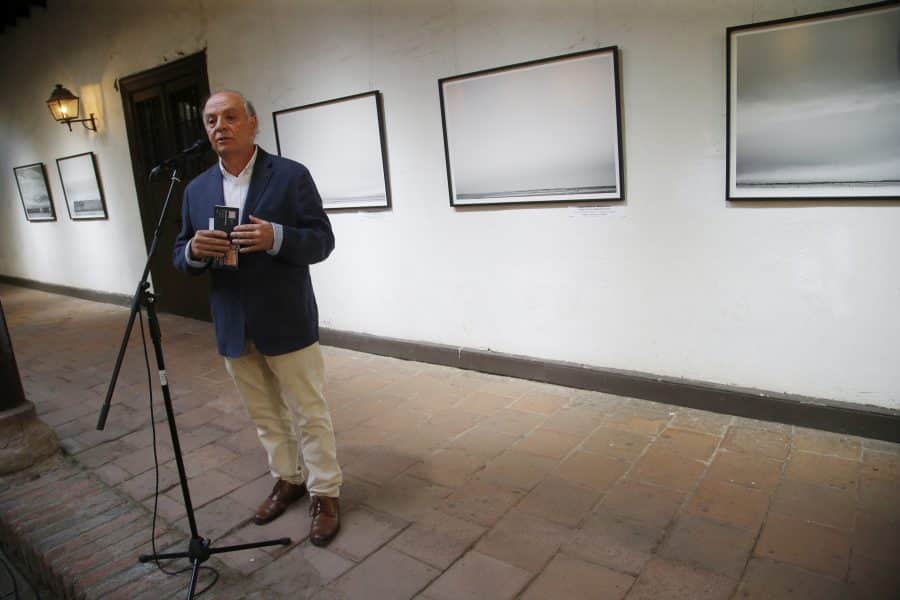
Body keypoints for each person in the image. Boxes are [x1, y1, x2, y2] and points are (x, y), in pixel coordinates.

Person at [172, 90, 341, 547]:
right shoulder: (196, 189)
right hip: (232, 320)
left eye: (230, 116)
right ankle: (288, 478)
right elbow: (179, 251)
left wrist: (276, 237)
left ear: (252, 122)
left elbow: (322, 241)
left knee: (309, 412)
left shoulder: (289, 175)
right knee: (264, 414)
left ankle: (325, 493)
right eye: (211, 120)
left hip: (285, 317)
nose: (219, 126)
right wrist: (193, 251)